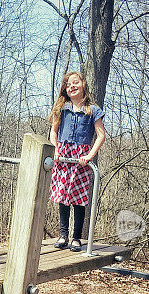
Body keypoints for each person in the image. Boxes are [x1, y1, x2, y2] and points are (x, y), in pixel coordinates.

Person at [48, 71, 106, 251]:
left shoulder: (92, 110)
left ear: (83, 85)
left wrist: (89, 156)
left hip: (81, 158)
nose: (72, 86)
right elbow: (53, 132)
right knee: (62, 196)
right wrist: (56, 149)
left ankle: (76, 237)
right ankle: (63, 234)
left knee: (79, 199)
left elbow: (101, 135)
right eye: (68, 84)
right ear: (65, 89)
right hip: (63, 155)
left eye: (75, 82)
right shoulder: (61, 108)